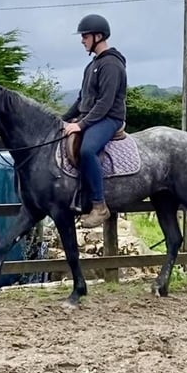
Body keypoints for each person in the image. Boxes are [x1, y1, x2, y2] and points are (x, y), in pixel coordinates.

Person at [61, 13, 128, 228]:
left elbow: (105, 103)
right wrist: (61, 120)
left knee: (87, 150)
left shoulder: (111, 65)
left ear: (98, 36)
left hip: (110, 118)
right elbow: (82, 100)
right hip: (93, 116)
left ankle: (99, 206)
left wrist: (80, 125)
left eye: (85, 36)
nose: (82, 40)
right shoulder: (92, 66)